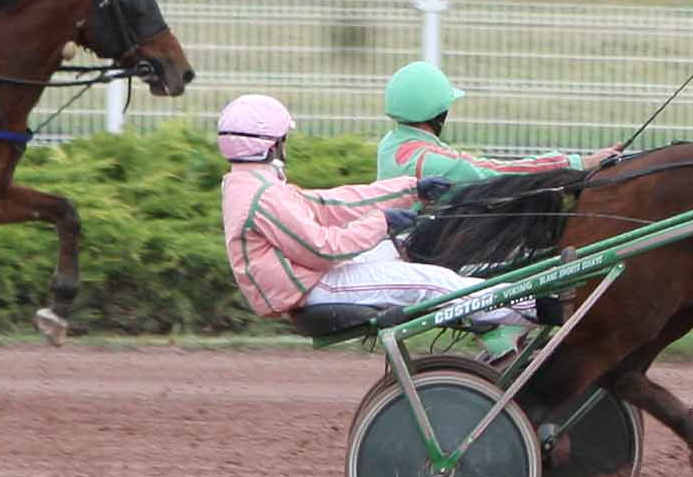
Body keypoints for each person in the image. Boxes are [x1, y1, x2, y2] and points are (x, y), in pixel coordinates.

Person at [217, 95, 523, 334]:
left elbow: (331, 204)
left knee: (409, 249)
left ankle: (496, 298)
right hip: (314, 286)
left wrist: (410, 190)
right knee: (430, 282)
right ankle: (536, 308)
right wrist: (382, 222)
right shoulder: (263, 196)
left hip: (309, 278)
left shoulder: (252, 183)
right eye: (283, 138)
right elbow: (323, 249)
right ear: (271, 144)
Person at [376, 60, 592, 192]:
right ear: (440, 114)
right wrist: (577, 163)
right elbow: (499, 172)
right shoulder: (436, 163)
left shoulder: (389, 144)